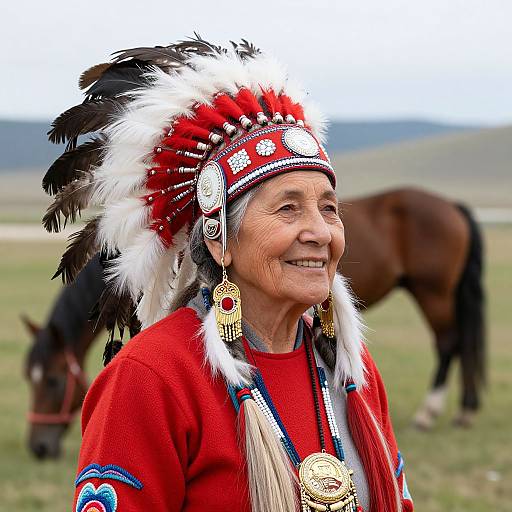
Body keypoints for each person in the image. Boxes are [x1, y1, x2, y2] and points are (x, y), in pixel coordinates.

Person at [44, 36, 413, 512]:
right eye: (288, 208)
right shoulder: (151, 378)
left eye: (329, 208)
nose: (320, 232)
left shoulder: (349, 367)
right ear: (219, 239)